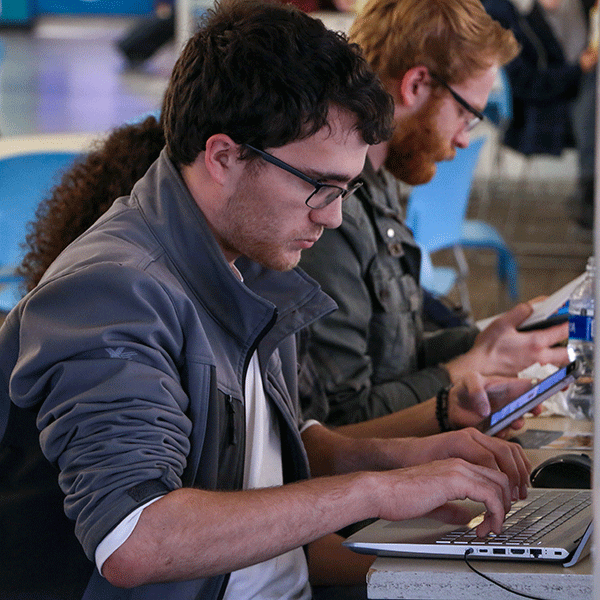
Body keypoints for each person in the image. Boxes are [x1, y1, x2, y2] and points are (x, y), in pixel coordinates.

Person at [0, 1, 534, 599]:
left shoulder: (251, 260)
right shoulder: (111, 292)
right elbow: (135, 537)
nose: (333, 218)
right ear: (225, 156)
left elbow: (272, 456)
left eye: (347, 189)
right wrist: (376, 492)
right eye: (319, 187)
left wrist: (421, 456)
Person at [297, 0, 570, 435]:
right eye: (466, 114)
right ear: (417, 84)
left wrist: (485, 341)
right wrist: (472, 367)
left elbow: (395, 356)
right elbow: (337, 427)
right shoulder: (331, 214)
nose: (464, 139)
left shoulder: (379, 182)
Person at [481, 0, 598, 228]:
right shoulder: (501, 14)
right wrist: (578, 70)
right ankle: (590, 188)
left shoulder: (530, 11)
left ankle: (590, 188)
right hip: (533, 115)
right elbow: (529, 85)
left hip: (562, 102)